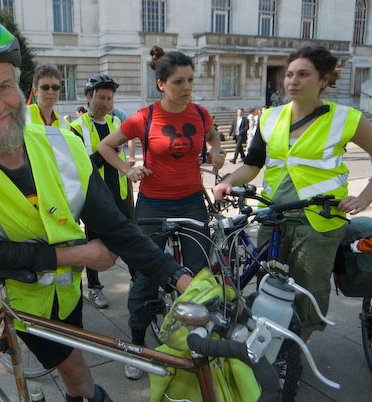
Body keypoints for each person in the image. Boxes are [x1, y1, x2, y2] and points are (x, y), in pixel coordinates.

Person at [0, 18, 193, 402]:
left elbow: (114, 226)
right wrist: (78, 253)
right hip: (10, 301)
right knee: (73, 372)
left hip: (64, 296)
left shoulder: (63, 144)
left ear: (19, 86)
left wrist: (179, 279)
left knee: (74, 372)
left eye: (4, 87)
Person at [212, 45, 372, 344]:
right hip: (274, 216)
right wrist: (228, 181)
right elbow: (252, 164)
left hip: (319, 221)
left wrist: (365, 198)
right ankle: (270, 346)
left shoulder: (345, 118)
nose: (292, 81)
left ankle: (293, 356)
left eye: (303, 74)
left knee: (308, 292)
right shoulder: (269, 118)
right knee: (269, 287)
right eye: (288, 75)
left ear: (323, 80)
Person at [97, 45, 225, 380]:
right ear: (161, 84)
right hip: (153, 205)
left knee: (199, 277)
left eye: (191, 80)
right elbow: (104, 146)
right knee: (145, 279)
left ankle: (196, 342)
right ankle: (137, 346)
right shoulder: (145, 117)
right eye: (179, 81)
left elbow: (213, 139)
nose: (186, 87)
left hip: (192, 202)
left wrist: (217, 151)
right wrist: (127, 170)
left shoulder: (200, 114)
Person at [68, 74, 134, 309]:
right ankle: (94, 288)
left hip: (121, 195)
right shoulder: (76, 127)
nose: (106, 103)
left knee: (131, 239)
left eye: (110, 98)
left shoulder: (116, 124)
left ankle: (137, 281)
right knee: (94, 243)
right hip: (95, 198)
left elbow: (122, 158)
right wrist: (105, 152)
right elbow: (79, 166)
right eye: (102, 98)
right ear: (89, 97)